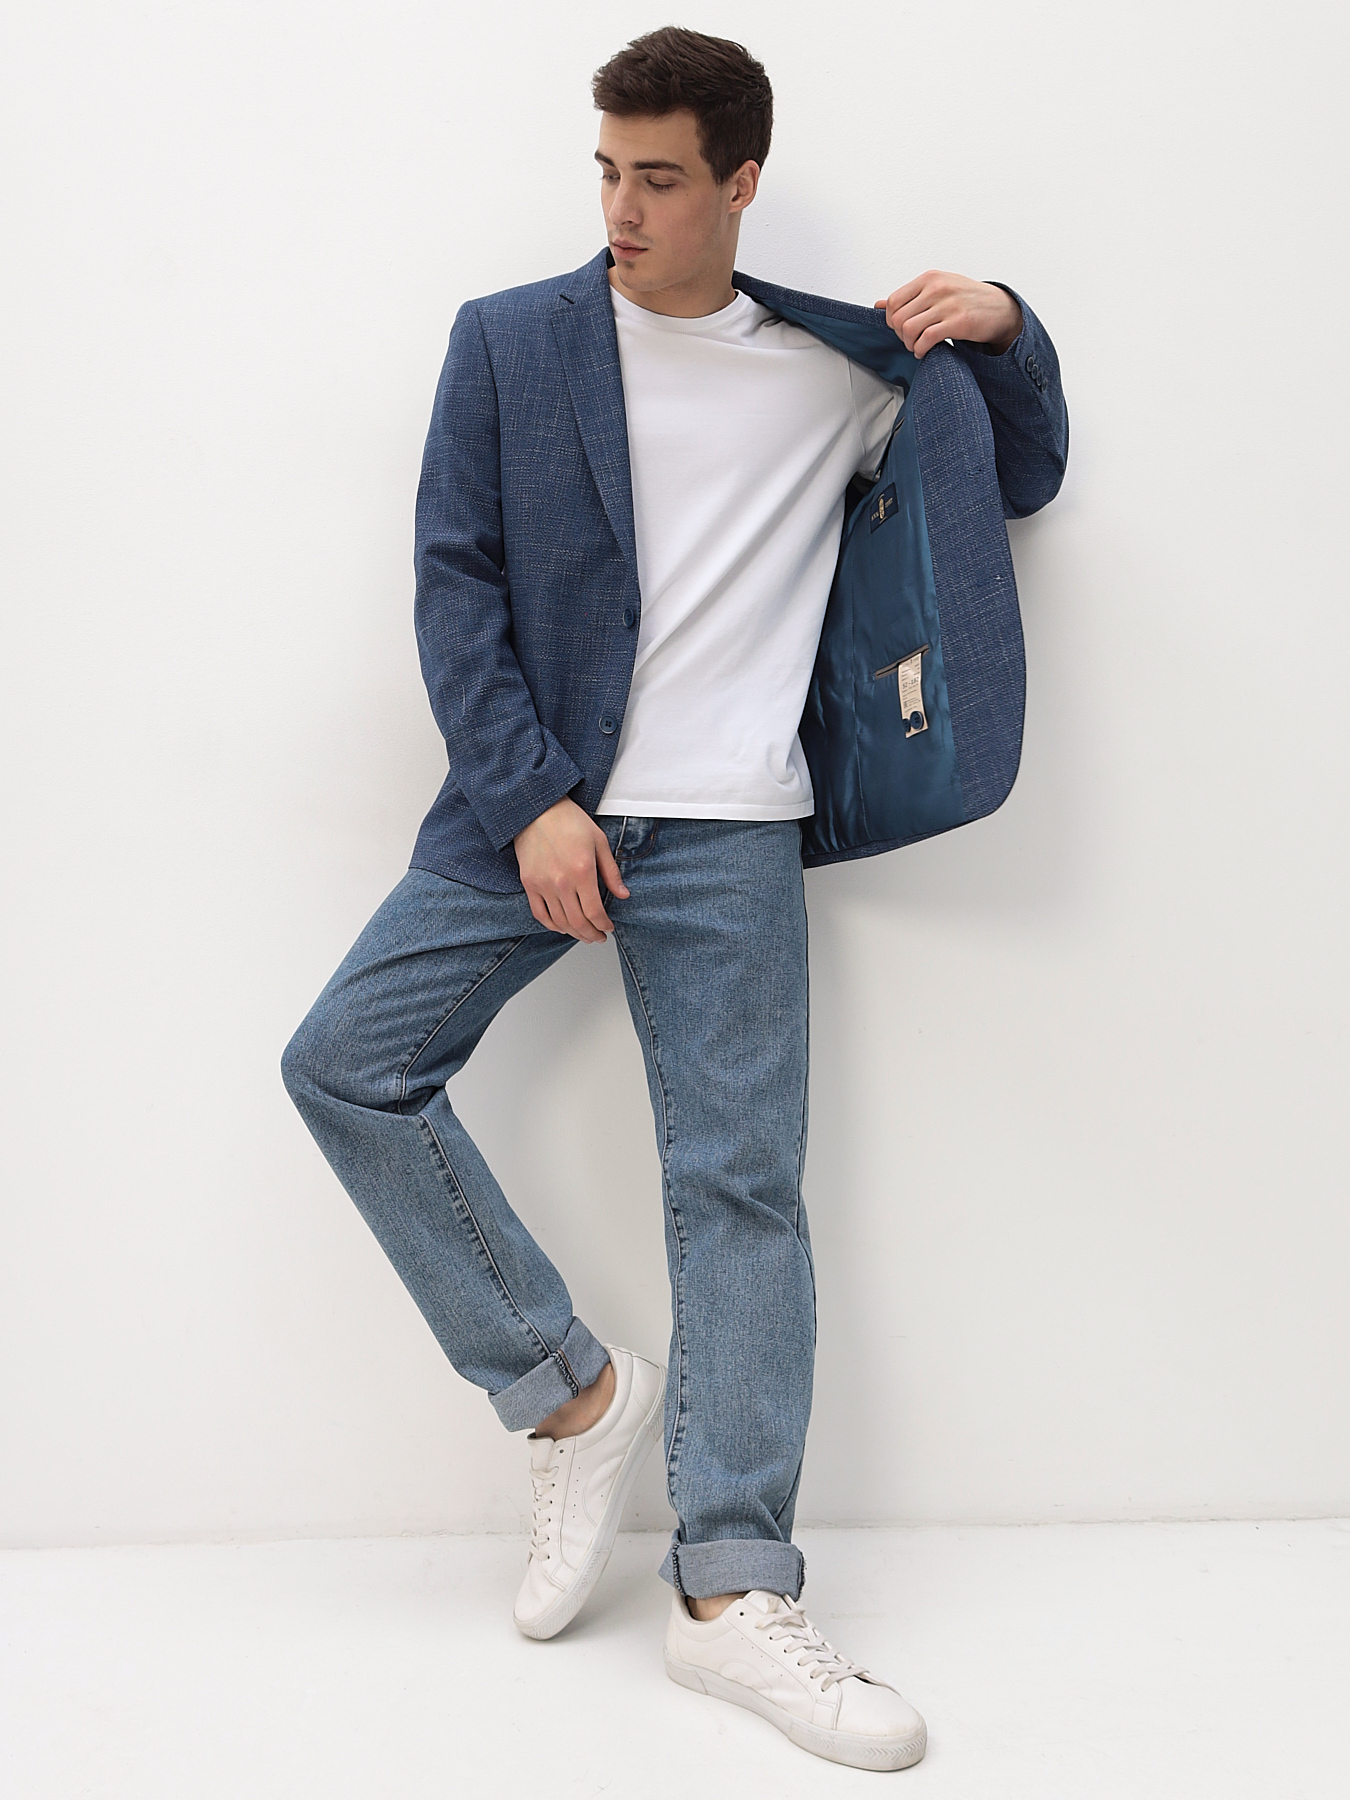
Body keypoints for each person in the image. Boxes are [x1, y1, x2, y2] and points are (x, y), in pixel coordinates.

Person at [282, 24, 1067, 1773]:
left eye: (657, 178)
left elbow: (1016, 473)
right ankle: (566, 1391)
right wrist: (532, 802)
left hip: (732, 827)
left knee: (737, 1193)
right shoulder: (511, 341)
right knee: (344, 1064)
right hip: (531, 811)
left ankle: (730, 1590)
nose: (622, 210)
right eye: (605, 173)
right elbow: (454, 585)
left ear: (740, 183)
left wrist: (1008, 325)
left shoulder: (835, 369)